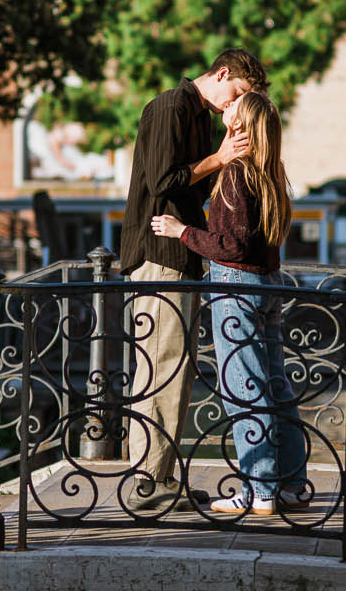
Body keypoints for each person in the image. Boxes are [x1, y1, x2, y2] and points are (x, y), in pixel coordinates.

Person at [114, 48, 269, 511]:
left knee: (173, 370)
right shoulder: (169, 108)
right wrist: (220, 158)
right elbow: (164, 182)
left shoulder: (199, 114)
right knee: (161, 368)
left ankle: (159, 477)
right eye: (236, 93)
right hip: (159, 253)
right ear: (221, 74)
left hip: (178, 254)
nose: (233, 104)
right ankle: (146, 483)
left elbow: (193, 185)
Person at [151, 91, 307, 516]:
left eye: (236, 105)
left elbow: (231, 244)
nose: (228, 105)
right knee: (274, 386)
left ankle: (258, 490)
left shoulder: (237, 173)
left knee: (245, 389)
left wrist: (181, 230)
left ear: (241, 125)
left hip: (235, 285)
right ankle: (292, 484)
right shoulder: (270, 171)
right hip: (267, 284)